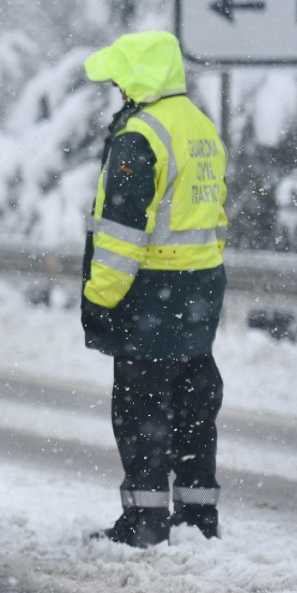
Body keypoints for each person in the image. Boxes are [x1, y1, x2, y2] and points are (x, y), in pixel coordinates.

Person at [81, 31, 227, 548]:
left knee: (142, 413)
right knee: (194, 407)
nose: (118, 88)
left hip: (151, 298)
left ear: (140, 76)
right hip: (199, 293)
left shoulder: (141, 136)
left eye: (122, 78)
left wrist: (100, 299)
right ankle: (197, 516)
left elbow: (122, 236)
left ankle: (144, 522)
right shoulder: (199, 127)